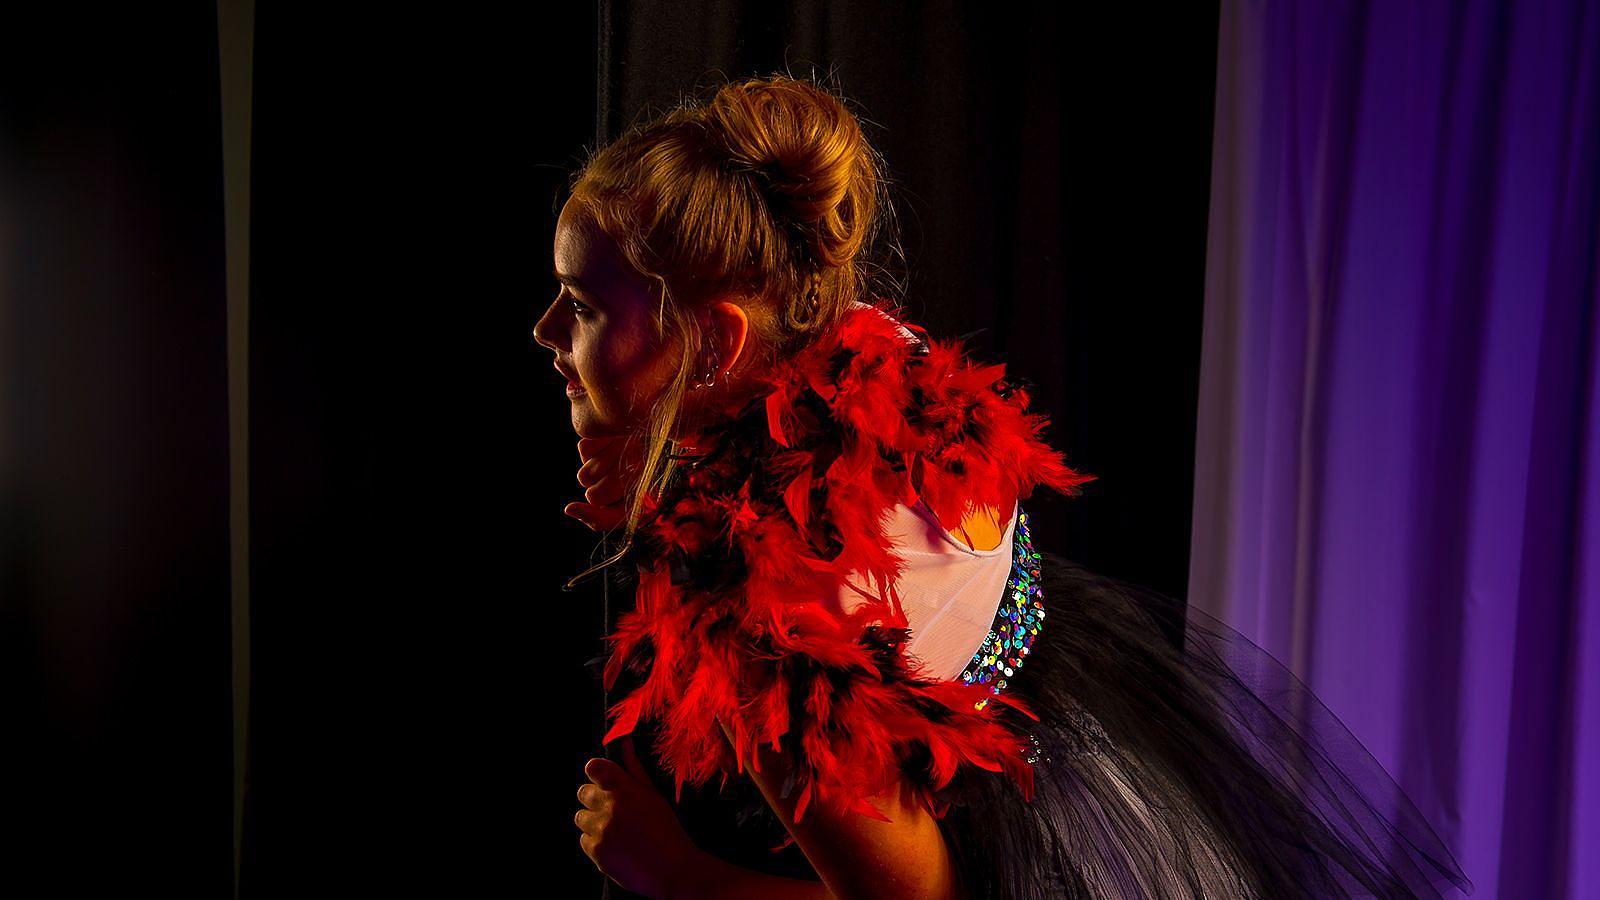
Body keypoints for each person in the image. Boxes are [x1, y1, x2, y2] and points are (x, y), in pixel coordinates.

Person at [534, 73, 1475, 900]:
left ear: (712, 344)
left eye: (578, 307)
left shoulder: (765, 622)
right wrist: (668, 467)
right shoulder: (870, 352)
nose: (543, 333)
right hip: (1093, 769)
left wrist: (680, 875)